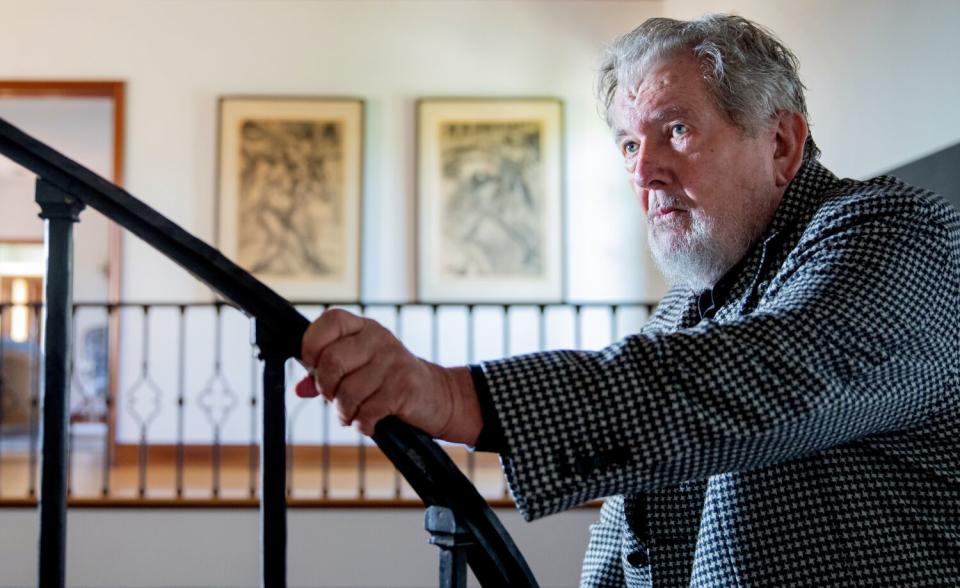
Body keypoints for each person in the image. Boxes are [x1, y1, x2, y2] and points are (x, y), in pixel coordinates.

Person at [296, 14, 960, 587]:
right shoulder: (685, 305)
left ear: (780, 142)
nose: (643, 173)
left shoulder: (897, 236)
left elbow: (761, 378)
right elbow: (626, 541)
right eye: (629, 143)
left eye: (675, 131)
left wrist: (448, 394)